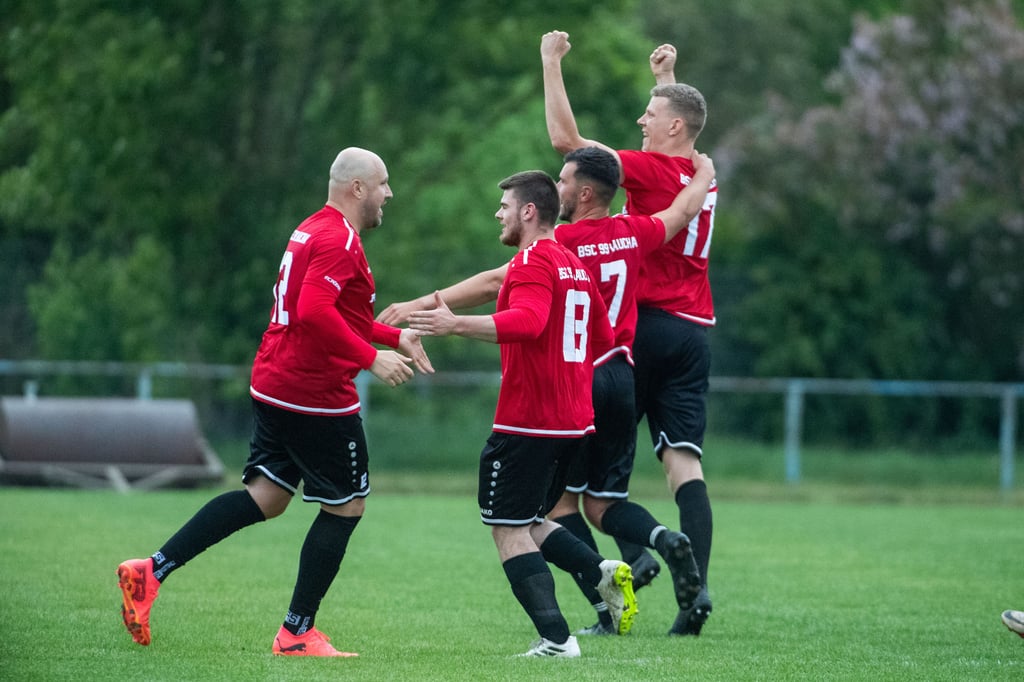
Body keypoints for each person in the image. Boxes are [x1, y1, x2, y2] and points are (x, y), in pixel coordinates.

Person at [378, 146, 716, 636]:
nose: (557, 189)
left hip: (575, 383)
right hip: (623, 372)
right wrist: (704, 171)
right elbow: (684, 210)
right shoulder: (631, 230)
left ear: (582, 192)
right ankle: (659, 541)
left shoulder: (561, 245)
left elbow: (503, 285)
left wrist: (427, 307)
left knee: (551, 509)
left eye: (562, 180)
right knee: (602, 502)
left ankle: (600, 605)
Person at [115, 147, 434, 657]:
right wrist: (370, 358)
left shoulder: (312, 228)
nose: (388, 193)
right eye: (383, 183)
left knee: (268, 497)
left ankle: (151, 571)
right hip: (314, 394)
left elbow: (332, 313)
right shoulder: (338, 239)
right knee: (347, 505)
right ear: (357, 188)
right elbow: (311, 312)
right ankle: (296, 632)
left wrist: (393, 340)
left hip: (276, 383)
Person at [407, 170, 636, 658]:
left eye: (505, 206)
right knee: (530, 518)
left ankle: (556, 639)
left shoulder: (532, 261)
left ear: (529, 211)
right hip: (574, 422)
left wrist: (453, 324)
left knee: (506, 526)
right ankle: (599, 572)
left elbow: (529, 323)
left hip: (530, 421)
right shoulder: (572, 264)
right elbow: (602, 337)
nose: (499, 214)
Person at [542, 30, 718, 636]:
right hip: (695, 333)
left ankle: (625, 569)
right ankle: (691, 596)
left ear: (671, 128)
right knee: (682, 469)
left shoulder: (647, 167)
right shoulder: (701, 172)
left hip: (638, 333)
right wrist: (668, 77)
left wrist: (552, 64)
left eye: (650, 114)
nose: (641, 120)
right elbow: (680, 129)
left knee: (589, 489)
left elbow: (569, 143)